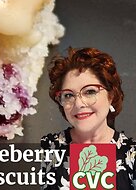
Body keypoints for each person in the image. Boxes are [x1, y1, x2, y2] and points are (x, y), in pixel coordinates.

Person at [40, 47, 136, 189]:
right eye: (68, 95)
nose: (78, 104)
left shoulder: (132, 155)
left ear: (111, 95)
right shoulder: (46, 149)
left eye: (90, 91)